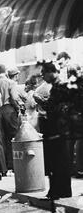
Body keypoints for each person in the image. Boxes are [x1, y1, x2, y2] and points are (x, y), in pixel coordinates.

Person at [40, 62, 72, 199]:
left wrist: (41, 101)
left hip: (58, 130)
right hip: (61, 129)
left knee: (58, 161)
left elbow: (53, 107)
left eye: (43, 73)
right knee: (60, 161)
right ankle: (61, 190)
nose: (42, 76)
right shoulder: (59, 86)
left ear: (51, 72)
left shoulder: (59, 87)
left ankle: (58, 191)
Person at [0, 64, 20, 171]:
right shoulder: (10, 82)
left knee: (0, 139)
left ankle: (3, 168)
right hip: (9, 110)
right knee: (13, 137)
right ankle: (13, 164)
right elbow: (14, 98)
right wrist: (17, 109)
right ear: (5, 71)